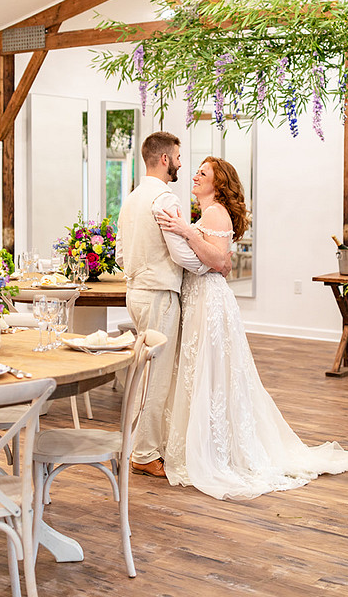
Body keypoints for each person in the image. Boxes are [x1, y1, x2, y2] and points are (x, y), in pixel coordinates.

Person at [156, 156, 348, 499]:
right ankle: (207, 440)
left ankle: (216, 449)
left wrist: (186, 231)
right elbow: (224, 261)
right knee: (206, 373)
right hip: (201, 298)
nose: (195, 176)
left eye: (203, 173)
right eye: (196, 171)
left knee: (212, 373)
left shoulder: (214, 212)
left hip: (209, 301)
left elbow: (218, 260)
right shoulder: (209, 213)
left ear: (218, 183)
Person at [116, 132, 231, 478]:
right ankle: (144, 453)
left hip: (135, 293)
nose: (182, 164)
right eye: (179, 157)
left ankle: (136, 444)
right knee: (158, 377)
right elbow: (181, 254)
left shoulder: (131, 198)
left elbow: (120, 254)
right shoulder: (165, 199)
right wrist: (210, 268)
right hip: (160, 295)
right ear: (165, 159)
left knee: (143, 372)